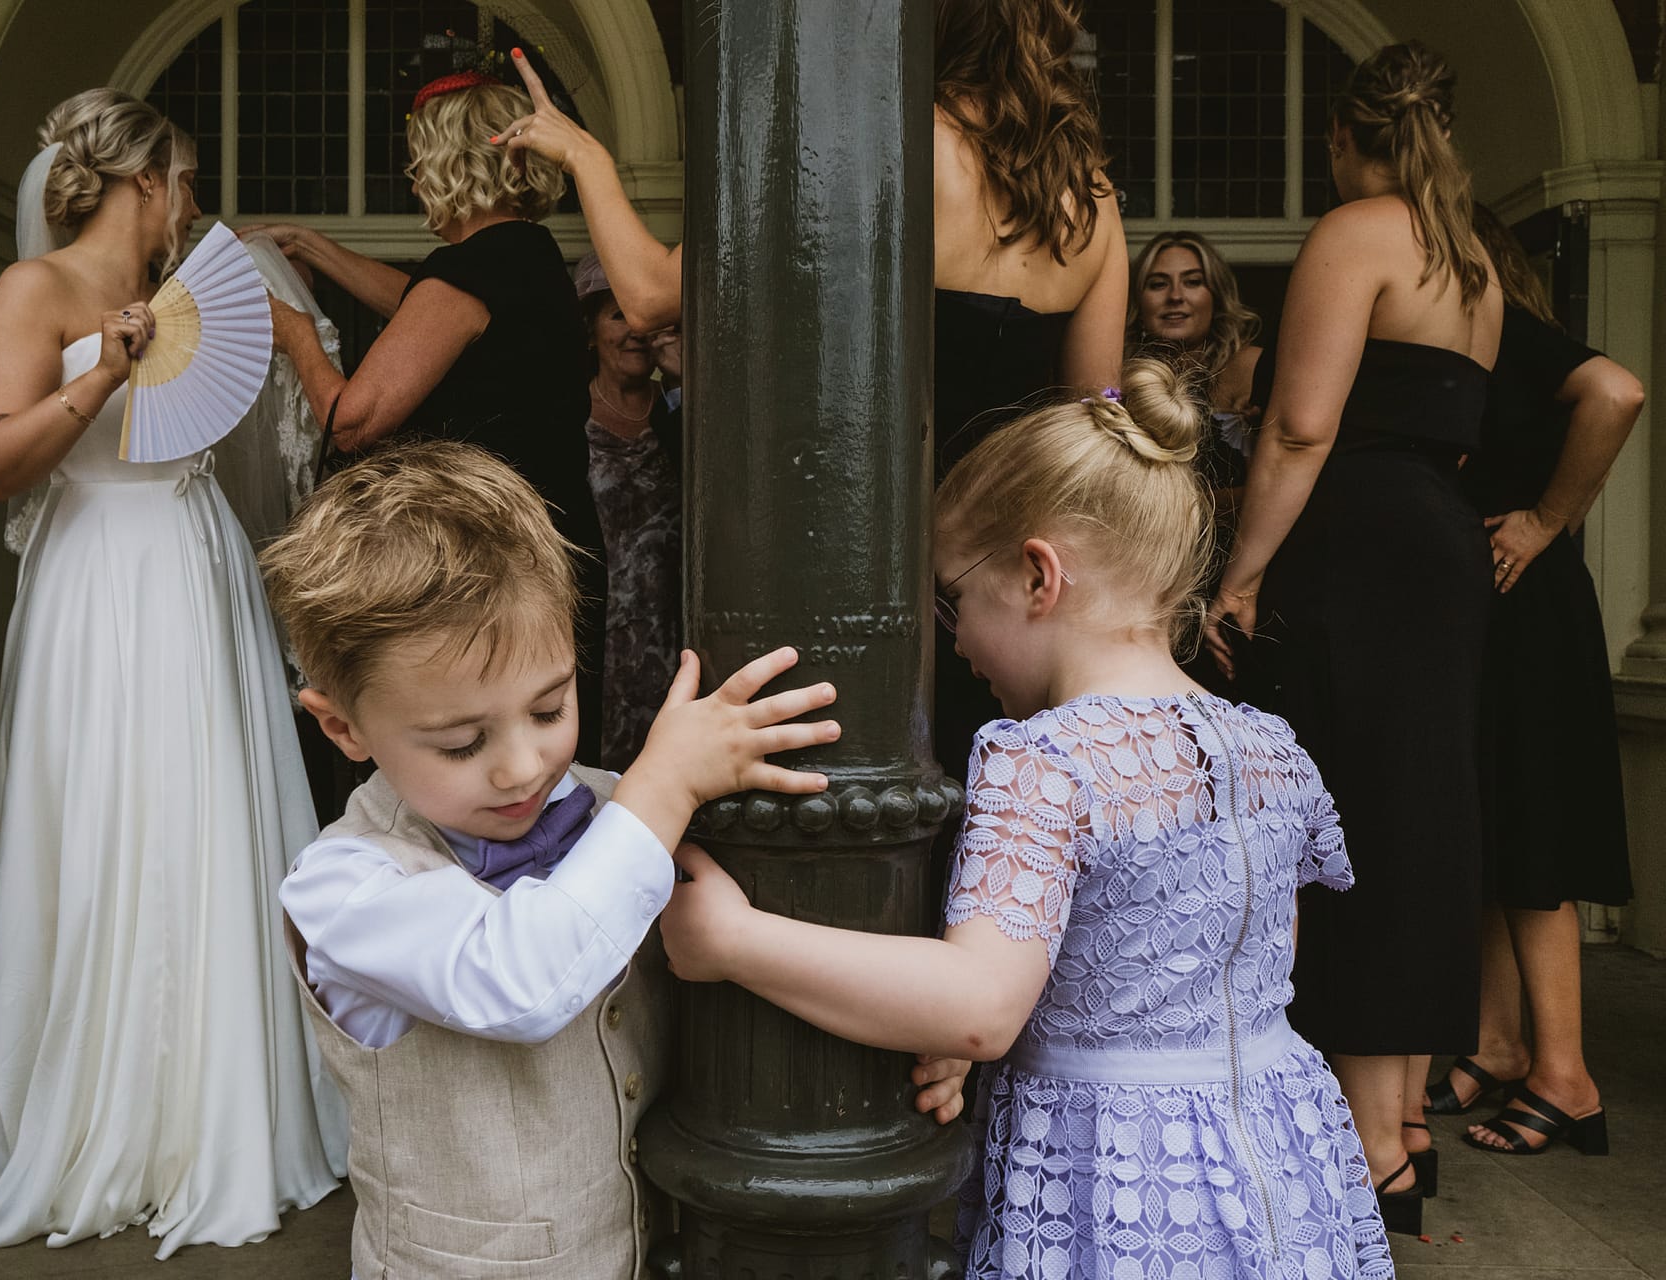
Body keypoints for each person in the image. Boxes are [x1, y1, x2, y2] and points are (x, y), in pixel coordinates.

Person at [659, 359, 1397, 1276]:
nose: (956, 638)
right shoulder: (1270, 748)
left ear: (1038, 576)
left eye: (954, 598)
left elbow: (979, 1008)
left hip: (1121, 1183)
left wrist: (731, 939)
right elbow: (1214, 956)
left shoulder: (1040, 758)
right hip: (1285, 1163)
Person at [263, 441, 947, 1276]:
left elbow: (788, 947)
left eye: (549, 707)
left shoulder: (618, 809)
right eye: (460, 742)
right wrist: (662, 790)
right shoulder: (344, 887)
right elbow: (518, 979)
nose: (520, 766)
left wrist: (920, 1044)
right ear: (343, 729)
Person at [495, 5, 1129, 776]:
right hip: (1016, 587)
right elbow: (1095, 414)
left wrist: (585, 155)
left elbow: (651, 295)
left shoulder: (894, 143)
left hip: (866, 574)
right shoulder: (1087, 189)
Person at [0, 88, 341, 1254]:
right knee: (106, 822)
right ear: (146, 183)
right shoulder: (36, 291)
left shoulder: (186, 294)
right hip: (96, 569)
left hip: (193, 557)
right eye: (184, 180)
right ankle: (101, 1109)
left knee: (206, 822)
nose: (192, 202)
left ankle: (217, 1109)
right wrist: (103, 374)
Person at [1203, 42, 1502, 1224]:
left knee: (1340, 826)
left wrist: (1240, 574)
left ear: (1343, 134)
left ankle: (1365, 1140)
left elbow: (1299, 428)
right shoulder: (1470, 256)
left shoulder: (1356, 230)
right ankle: (1399, 1125)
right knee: (1420, 818)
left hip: (1357, 546)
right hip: (1438, 541)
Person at [252, 72, 606, 760]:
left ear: (445, 165)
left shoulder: (471, 272)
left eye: (418, 165)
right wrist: (318, 248)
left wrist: (296, 334)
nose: (414, 184)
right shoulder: (524, 255)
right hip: (550, 542)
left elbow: (352, 421)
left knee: (480, 752)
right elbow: (423, 305)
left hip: (488, 565)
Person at [1418, 206, 1639, 1159]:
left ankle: (1568, 1076)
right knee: (1496, 825)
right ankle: (1501, 1042)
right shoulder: (1480, 341)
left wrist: (1547, 521)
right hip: (1498, 610)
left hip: (1529, 608)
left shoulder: (1506, 324)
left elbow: (1620, 393)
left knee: (1533, 837)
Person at [1127, 230, 1265, 694]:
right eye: (1157, 283)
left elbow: (1288, 484)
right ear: (1137, 299)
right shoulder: (1119, 377)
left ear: (1216, 294)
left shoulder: (1251, 368)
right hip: (1150, 579)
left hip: (1240, 574)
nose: (1175, 297)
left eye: (1192, 281)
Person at [575, 253, 681, 769]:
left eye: (647, 319)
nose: (635, 332)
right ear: (591, 332)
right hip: (596, 642)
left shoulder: (681, 407)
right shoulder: (566, 416)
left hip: (675, 642)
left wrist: (682, 379)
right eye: (618, 316)